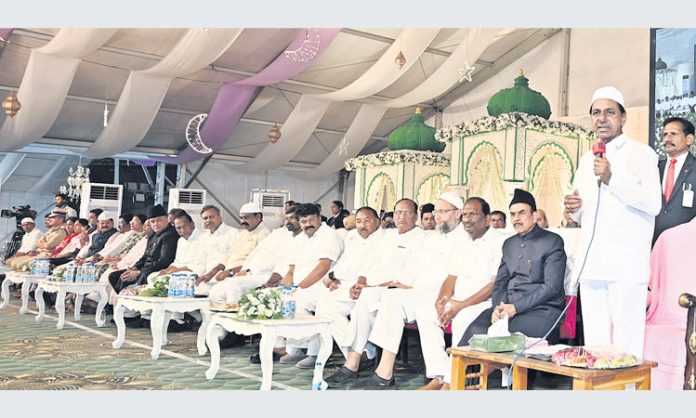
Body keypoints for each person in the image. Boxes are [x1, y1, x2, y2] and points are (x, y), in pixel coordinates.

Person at [564, 86, 661, 358]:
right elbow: (586, 213)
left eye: (609, 112)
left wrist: (612, 178)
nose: (601, 118)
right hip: (593, 265)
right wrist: (574, 209)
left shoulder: (643, 155)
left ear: (623, 118)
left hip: (626, 266)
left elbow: (653, 204)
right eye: (596, 113)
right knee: (595, 345)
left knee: (626, 345)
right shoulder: (586, 160)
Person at [344, 192, 468, 390]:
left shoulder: (466, 239)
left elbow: (458, 275)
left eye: (443, 212)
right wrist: (403, 282)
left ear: (458, 213)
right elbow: (415, 265)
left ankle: (430, 376)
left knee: (411, 307)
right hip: (419, 291)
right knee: (392, 297)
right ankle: (384, 372)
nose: (437, 216)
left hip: (444, 296)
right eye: (436, 211)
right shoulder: (433, 237)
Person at [319, 198, 425, 384]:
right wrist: (361, 282)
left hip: (400, 290)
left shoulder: (421, 238)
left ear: (416, 217)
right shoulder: (389, 236)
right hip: (375, 288)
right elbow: (372, 263)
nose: (402, 217)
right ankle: (353, 362)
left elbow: (409, 275)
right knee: (361, 299)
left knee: (373, 298)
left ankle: (370, 367)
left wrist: (374, 286)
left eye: (408, 213)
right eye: (398, 212)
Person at [416, 197, 505, 390]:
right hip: (457, 300)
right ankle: (440, 375)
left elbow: (494, 284)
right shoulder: (461, 241)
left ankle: (451, 382)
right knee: (425, 312)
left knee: (463, 318)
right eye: (465, 214)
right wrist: (441, 300)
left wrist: (460, 306)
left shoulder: (499, 241)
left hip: (483, 303)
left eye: (473, 214)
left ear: (487, 218)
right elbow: (451, 276)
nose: (467, 219)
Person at [460, 189, 567, 347]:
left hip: (540, 310)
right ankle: (463, 372)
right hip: (508, 308)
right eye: (512, 214)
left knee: (502, 336)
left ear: (534, 215)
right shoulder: (509, 244)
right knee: (473, 332)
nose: (516, 218)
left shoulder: (552, 241)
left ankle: (505, 372)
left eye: (522, 213)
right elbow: (500, 282)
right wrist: (499, 307)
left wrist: (516, 308)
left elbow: (551, 287)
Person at [314, 206, 385, 370]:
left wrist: (357, 281)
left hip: (367, 287)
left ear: (378, 222)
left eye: (367, 221)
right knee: (324, 307)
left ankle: (358, 355)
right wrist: (331, 277)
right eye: (359, 221)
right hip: (345, 286)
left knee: (326, 306)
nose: (362, 225)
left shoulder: (384, 240)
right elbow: (342, 262)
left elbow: (372, 267)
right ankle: (360, 353)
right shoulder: (352, 237)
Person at [277, 203, 344, 368]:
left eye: (312, 220)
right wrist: (285, 289)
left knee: (298, 299)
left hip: (325, 285)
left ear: (320, 218)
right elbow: (291, 270)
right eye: (303, 221)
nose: (308, 224)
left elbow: (323, 267)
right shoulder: (299, 239)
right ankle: (296, 349)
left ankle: (315, 353)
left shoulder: (329, 236)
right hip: (303, 286)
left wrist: (298, 288)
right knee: (283, 298)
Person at [107, 204, 179, 295]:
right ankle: (122, 303)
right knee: (114, 276)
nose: (156, 224)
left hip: (156, 269)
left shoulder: (170, 235)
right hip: (145, 268)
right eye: (152, 221)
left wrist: (139, 272)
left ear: (167, 219)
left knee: (126, 278)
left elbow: (164, 261)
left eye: (159, 220)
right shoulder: (153, 235)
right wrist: (135, 267)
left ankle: (123, 304)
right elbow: (145, 256)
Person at [652, 116, 696, 245]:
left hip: (687, 244)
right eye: (665, 134)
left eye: (673, 134)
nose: (667, 139)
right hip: (655, 243)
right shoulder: (654, 168)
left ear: (689, 139)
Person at [211, 202, 271, 285]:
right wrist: (214, 271)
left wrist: (231, 272)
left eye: (246, 218)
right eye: (241, 218)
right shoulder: (244, 233)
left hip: (244, 277)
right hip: (229, 275)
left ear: (258, 217)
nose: (242, 221)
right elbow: (230, 254)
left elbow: (257, 263)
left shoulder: (265, 234)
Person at [194, 205, 239, 296]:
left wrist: (213, 273)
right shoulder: (204, 237)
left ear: (219, 217)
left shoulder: (233, 233)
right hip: (206, 279)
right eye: (205, 218)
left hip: (224, 277)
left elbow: (233, 258)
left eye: (211, 217)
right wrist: (196, 275)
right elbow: (201, 261)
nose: (208, 220)